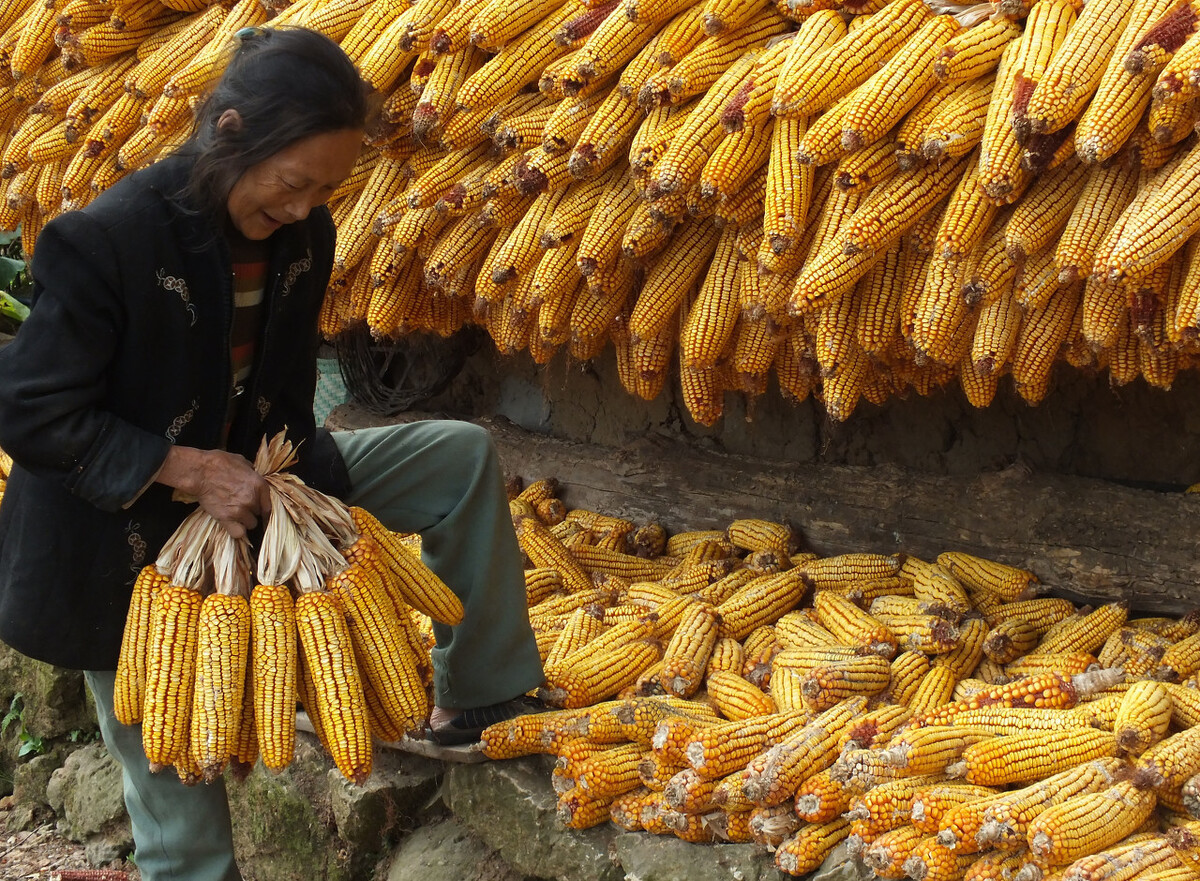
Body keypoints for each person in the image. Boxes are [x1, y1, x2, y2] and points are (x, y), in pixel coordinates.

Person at [0, 26, 544, 881]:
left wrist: (287, 521)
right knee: (188, 840)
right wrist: (187, 469)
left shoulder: (302, 236)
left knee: (460, 456)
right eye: (292, 183)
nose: (302, 207)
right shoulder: (108, 239)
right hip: (122, 541)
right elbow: (28, 410)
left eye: (324, 189)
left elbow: (286, 395)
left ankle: (482, 696)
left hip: (262, 484)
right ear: (228, 133)